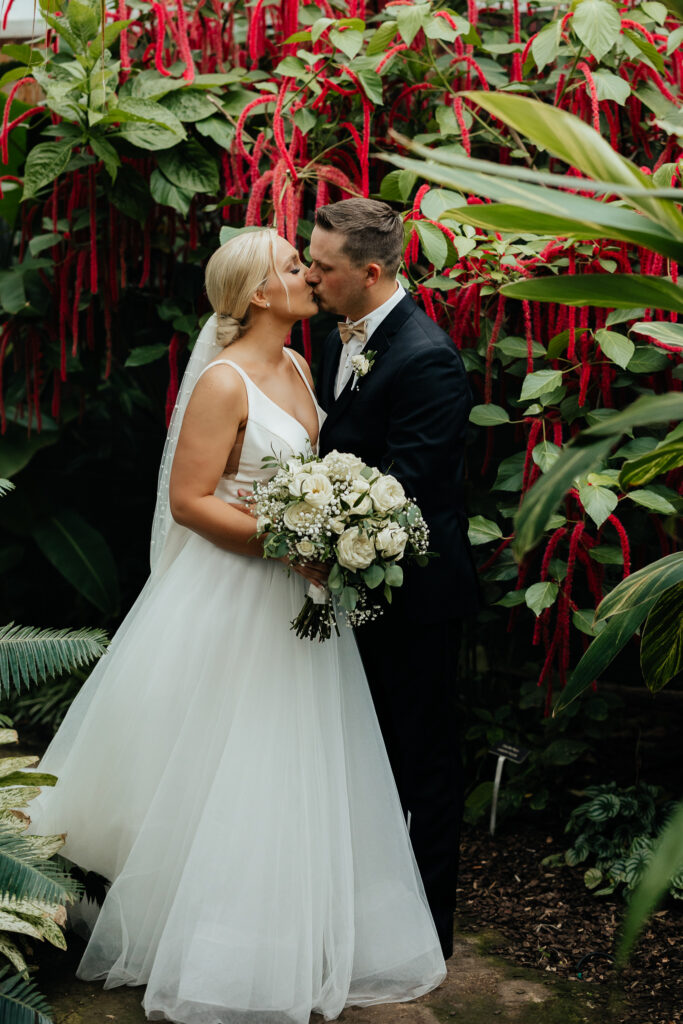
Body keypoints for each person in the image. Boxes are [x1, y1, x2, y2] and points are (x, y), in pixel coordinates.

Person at [27, 229, 446, 1024]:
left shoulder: (296, 364)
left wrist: (326, 537)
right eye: (295, 267)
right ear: (258, 293)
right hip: (236, 592)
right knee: (227, 762)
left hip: (301, 599)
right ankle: (218, 944)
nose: (309, 278)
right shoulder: (222, 383)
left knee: (297, 760)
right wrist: (291, 541)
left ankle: (294, 930)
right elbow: (190, 501)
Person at [306, 198, 479, 961]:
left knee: (421, 765)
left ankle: (425, 938)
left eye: (322, 267)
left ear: (369, 273)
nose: (309, 277)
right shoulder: (334, 334)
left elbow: (407, 491)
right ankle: (357, 917)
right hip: (349, 590)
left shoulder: (427, 358)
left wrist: (309, 534)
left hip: (412, 600)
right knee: (356, 761)